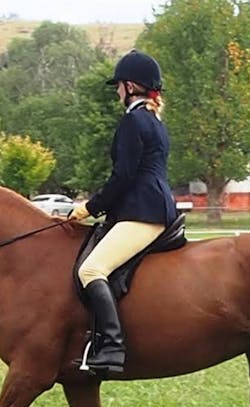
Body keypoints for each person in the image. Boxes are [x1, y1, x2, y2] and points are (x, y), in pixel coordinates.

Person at [69, 50, 178, 374]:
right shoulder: (154, 120)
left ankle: (113, 347)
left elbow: (124, 176)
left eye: (118, 85)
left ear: (130, 86)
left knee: (91, 271)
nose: (117, 91)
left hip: (144, 211)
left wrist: (90, 206)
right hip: (150, 205)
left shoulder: (133, 120)